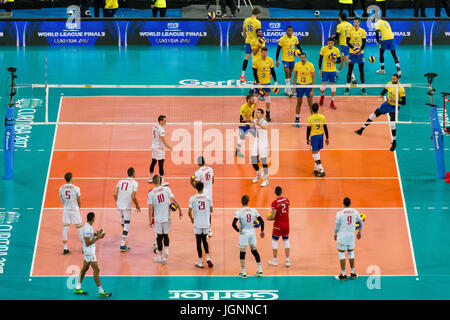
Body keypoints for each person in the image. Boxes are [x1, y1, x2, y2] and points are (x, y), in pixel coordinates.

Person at [354, 74, 406, 151]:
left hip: (394, 107)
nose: (393, 80)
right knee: (373, 115)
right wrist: (381, 95)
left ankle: (394, 142)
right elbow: (385, 90)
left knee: (392, 124)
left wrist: (395, 101)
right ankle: (361, 130)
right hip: (387, 104)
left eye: (394, 79)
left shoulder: (401, 89)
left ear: (398, 79)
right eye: (392, 79)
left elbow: (404, 102)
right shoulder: (389, 84)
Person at [74, 212, 112, 297]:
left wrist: (97, 234)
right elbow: (87, 243)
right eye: (94, 217)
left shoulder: (89, 227)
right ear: (93, 218)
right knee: (96, 270)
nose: (95, 219)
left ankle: (77, 288)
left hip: (89, 251)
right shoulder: (87, 228)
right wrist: (98, 238)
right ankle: (101, 292)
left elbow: (90, 235)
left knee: (84, 269)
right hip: (89, 252)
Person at [148, 175, 182, 264]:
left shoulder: (151, 193)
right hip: (167, 217)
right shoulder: (166, 189)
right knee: (166, 235)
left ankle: (160, 256)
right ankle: (166, 252)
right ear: (159, 181)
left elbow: (150, 208)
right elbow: (174, 200)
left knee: (159, 237)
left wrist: (150, 219)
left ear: (153, 182)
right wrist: (180, 210)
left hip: (158, 218)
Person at [232, 195, 265, 278]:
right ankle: (260, 270)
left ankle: (243, 273)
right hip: (252, 233)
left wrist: (238, 230)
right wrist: (262, 231)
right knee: (254, 251)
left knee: (242, 253)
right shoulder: (253, 210)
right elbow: (262, 221)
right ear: (248, 201)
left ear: (241, 201)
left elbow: (233, 224)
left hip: (244, 234)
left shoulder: (239, 212)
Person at [334, 197, 363, 280]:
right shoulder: (355, 212)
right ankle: (353, 273)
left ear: (343, 203)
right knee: (351, 253)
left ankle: (343, 275)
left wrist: (335, 234)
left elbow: (337, 226)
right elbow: (361, 222)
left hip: (342, 237)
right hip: (351, 237)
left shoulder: (339, 213)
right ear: (350, 203)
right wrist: (359, 231)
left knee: (341, 254)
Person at [113, 167, 140, 252]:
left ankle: (123, 225)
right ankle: (122, 244)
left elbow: (114, 194)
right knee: (127, 224)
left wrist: (118, 201)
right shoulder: (135, 183)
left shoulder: (120, 181)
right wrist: (137, 205)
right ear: (133, 174)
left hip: (119, 204)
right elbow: (134, 197)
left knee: (123, 220)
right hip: (127, 205)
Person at [188, 182, 214, 268]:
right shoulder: (208, 197)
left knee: (198, 242)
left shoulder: (192, 198)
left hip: (198, 223)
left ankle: (200, 262)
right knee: (205, 240)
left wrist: (192, 219)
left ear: (196, 188)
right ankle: (208, 258)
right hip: (206, 222)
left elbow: (189, 212)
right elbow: (211, 210)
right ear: (203, 188)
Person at [59, 172, 84, 255]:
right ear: (70, 179)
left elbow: (62, 201)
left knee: (65, 229)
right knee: (80, 228)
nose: (74, 178)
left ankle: (65, 248)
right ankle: (84, 247)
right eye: (73, 177)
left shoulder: (61, 188)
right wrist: (79, 207)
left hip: (66, 210)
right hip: (74, 210)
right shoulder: (76, 188)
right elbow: (79, 200)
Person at [267, 186, 291, 267]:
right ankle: (287, 261)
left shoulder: (274, 203)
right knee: (286, 241)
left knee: (275, 241)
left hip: (278, 225)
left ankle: (275, 260)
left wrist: (268, 217)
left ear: (275, 192)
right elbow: (288, 212)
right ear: (281, 192)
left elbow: (273, 216)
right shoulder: (287, 200)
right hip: (286, 224)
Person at [275, 26, 302, 97]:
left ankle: (286, 88)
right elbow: (278, 50)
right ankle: (288, 88)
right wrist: (277, 60)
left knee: (290, 72)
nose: (290, 32)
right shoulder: (282, 39)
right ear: (286, 31)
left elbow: (298, 47)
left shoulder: (295, 38)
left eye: (291, 30)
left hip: (292, 59)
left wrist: (301, 55)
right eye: (289, 30)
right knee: (286, 71)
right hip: (285, 59)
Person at [191, 156, 214, 237]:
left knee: (200, 211)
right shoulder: (210, 169)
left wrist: (191, 182)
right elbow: (213, 181)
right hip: (209, 194)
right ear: (204, 162)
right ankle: (209, 230)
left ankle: (202, 230)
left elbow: (198, 186)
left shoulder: (197, 173)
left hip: (201, 194)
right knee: (208, 212)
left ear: (198, 163)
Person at [252, 47, 278, 122]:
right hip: (259, 83)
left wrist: (275, 81)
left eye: (265, 53)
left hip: (267, 82)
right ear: (261, 53)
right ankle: (252, 113)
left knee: (267, 97)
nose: (264, 54)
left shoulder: (270, 60)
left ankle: (267, 114)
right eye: (263, 53)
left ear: (267, 53)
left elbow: (273, 71)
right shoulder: (256, 61)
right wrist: (257, 82)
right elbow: (254, 72)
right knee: (255, 98)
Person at [292, 52, 316, 127]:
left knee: (310, 103)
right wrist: (293, 88)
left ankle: (313, 119)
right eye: (301, 57)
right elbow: (294, 77)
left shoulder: (310, 65)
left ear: (306, 58)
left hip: (308, 86)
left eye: (304, 57)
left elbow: (314, 78)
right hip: (299, 86)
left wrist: (312, 90)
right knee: (299, 103)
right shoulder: (297, 65)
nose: (303, 58)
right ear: (300, 58)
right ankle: (297, 119)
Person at [345, 17, 367, 96]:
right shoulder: (350, 31)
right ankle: (347, 87)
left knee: (361, 71)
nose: (356, 23)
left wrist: (360, 50)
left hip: (360, 54)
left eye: (357, 22)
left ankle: (363, 88)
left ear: (359, 22)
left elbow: (364, 43)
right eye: (354, 22)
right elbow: (347, 42)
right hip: (352, 53)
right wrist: (353, 49)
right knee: (349, 71)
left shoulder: (363, 31)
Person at [307, 103, 329, 177]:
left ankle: (322, 170)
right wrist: (327, 137)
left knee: (314, 154)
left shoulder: (310, 118)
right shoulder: (322, 117)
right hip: (321, 136)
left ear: (312, 109)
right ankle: (316, 170)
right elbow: (325, 128)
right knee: (317, 153)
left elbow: (308, 130)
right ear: (318, 109)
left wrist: (307, 138)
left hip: (314, 137)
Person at [318, 37, 341, 110]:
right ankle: (322, 96)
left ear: (333, 43)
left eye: (331, 43)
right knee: (322, 88)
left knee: (333, 87)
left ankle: (332, 101)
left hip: (333, 71)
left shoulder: (336, 50)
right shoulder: (323, 49)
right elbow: (320, 59)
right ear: (327, 43)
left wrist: (335, 61)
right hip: (325, 71)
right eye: (329, 43)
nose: (330, 44)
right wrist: (319, 70)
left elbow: (339, 60)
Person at [240, 7, 261, 84]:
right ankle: (261, 75)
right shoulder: (258, 22)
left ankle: (242, 76)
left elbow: (244, 32)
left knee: (246, 58)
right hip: (255, 42)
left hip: (248, 41)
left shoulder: (246, 20)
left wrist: (246, 39)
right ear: (257, 14)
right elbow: (258, 34)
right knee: (258, 59)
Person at [150, 115, 172, 185]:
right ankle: (162, 182)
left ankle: (150, 178)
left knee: (153, 161)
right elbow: (163, 140)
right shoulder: (161, 129)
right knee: (161, 163)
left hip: (153, 146)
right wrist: (169, 147)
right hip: (159, 148)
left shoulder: (155, 126)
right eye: (164, 120)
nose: (166, 122)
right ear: (161, 121)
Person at [335, 13, 356, 84]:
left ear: (340, 18)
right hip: (350, 45)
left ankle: (353, 78)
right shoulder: (350, 25)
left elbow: (337, 37)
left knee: (347, 62)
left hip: (344, 45)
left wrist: (333, 37)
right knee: (342, 60)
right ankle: (336, 74)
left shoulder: (339, 25)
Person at [250, 109, 270, 187]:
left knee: (264, 161)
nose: (256, 114)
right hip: (256, 141)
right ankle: (258, 174)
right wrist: (249, 121)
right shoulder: (255, 120)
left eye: (258, 113)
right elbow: (252, 125)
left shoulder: (264, 121)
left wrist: (259, 124)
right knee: (253, 159)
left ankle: (266, 179)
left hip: (263, 143)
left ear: (262, 114)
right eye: (256, 112)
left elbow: (265, 127)